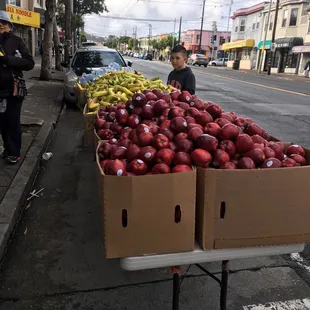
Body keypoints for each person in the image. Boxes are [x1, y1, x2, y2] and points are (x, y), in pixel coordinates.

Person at [0, 11, 34, 164]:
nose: (1, 25)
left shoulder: (17, 41)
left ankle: (14, 152)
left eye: (4, 22)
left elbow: (29, 63)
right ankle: (7, 149)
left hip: (14, 90)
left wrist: (7, 59)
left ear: (10, 25)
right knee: (2, 123)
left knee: (12, 122)